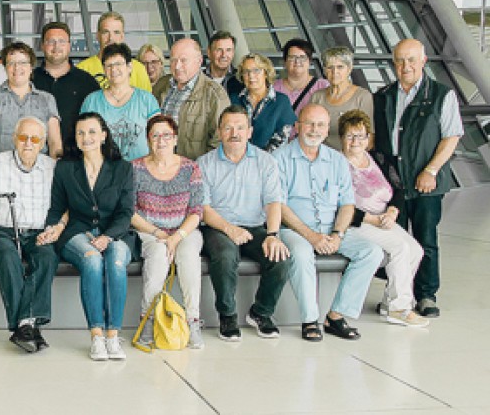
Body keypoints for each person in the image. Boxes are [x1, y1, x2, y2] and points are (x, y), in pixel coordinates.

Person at [275, 104, 383, 341]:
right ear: (297, 127)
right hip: (294, 229)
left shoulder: (336, 160)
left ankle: (335, 316)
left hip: (331, 229)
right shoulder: (280, 158)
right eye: (309, 124)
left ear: (327, 131)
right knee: (302, 254)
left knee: (372, 252)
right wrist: (311, 236)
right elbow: (279, 206)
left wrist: (337, 234)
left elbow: (347, 205)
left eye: (321, 125)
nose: (315, 130)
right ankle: (310, 320)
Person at [372, 38, 463, 318]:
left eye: (411, 60)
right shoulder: (383, 95)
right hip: (393, 185)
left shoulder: (441, 94)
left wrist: (431, 170)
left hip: (426, 183)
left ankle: (425, 295)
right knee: (394, 242)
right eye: (399, 60)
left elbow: (451, 136)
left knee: (425, 240)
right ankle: (397, 295)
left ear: (424, 61)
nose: (405, 66)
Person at [41, 112, 135, 361]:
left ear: (104, 135)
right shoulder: (65, 168)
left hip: (116, 233)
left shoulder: (122, 168)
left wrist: (108, 237)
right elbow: (57, 206)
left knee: (115, 259)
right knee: (92, 258)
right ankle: (96, 336)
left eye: (92, 132)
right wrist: (53, 228)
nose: (87, 137)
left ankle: (113, 336)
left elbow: (126, 213)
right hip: (77, 232)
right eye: (81, 133)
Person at [197, 105, 291, 342]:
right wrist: (229, 229)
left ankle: (261, 312)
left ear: (250, 131)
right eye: (228, 128)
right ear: (219, 132)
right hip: (218, 226)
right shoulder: (204, 164)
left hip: (255, 226)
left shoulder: (266, 162)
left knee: (280, 257)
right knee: (226, 255)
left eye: (240, 128)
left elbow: (273, 203)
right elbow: (203, 209)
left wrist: (272, 234)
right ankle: (227, 315)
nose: (234, 133)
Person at [0, 116, 59, 353]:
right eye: (23, 137)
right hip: (1, 230)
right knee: (9, 259)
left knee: (47, 258)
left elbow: (64, 206)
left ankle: (23, 325)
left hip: (38, 232)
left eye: (34, 139)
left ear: (43, 143)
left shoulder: (52, 168)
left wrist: (53, 230)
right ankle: (28, 324)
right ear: (14, 139)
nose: (28, 143)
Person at [338, 110, 428, 327]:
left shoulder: (378, 158)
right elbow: (337, 204)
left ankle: (389, 302)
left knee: (416, 250)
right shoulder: (336, 164)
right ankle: (400, 308)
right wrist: (371, 219)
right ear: (342, 138)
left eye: (360, 136)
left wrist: (392, 212)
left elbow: (398, 189)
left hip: (384, 219)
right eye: (350, 136)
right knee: (399, 248)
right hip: (356, 223)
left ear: (368, 138)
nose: (355, 141)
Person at [130, 114, 205, 349]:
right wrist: (158, 233)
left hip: (185, 230)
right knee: (158, 259)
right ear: (148, 140)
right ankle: (148, 321)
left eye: (166, 135)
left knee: (189, 257)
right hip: (149, 231)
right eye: (155, 136)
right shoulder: (135, 168)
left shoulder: (190, 168)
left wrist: (176, 237)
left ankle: (192, 320)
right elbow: (129, 212)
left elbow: (196, 211)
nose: (161, 141)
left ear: (175, 139)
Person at [0, 42, 61, 180]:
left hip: (38, 176)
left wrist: (55, 176)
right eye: (11, 63)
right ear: (5, 67)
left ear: (31, 67)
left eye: (23, 62)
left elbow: (54, 142)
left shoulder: (47, 99)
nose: (17, 68)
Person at [80, 43, 160, 161]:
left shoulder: (147, 100)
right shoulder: (91, 101)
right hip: (103, 171)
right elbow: (82, 137)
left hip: (140, 170)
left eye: (118, 64)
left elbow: (158, 136)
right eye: (108, 65)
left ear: (129, 67)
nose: (113, 69)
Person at [154, 38, 230, 160]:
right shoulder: (162, 85)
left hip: (193, 171)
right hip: (160, 166)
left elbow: (219, 141)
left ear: (199, 61)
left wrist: (200, 170)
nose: (177, 66)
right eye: (173, 60)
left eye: (183, 60)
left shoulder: (215, 94)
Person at [32, 22, 100, 151]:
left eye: (62, 41)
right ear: (42, 45)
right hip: (35, 157)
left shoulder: (87, 82)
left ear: (69, 46)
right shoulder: (30, 80)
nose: (56, 46)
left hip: (77, 158)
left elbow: (97, 123)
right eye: (51, 41)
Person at [309, 46, 373, 151]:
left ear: (349, 69)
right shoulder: (317, 97)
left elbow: (369, 140)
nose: (335, 72)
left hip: (350, 159)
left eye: (340, 67)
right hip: (320, 159)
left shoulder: (362, 97)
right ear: (324, 70)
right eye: (330, 67)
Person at [231, 53, 296, 152]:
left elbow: (281, 138)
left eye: (256, 70)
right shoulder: (234, 99)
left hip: (270, 161)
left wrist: (260, 159)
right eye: (246, 71)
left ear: (265, 73)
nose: (251, 75)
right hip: (237, 159)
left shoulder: (281, 101)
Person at [77, 12, 152, 91]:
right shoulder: (82, 69)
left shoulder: (138, 69)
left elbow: (146, 101)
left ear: (122, 36)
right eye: (106, 32)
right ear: (97, 36)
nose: (111, 38)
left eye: (116, 32)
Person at [273, 38, 328, 118]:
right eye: (292, 57)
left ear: (310, 61)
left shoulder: (323, 86)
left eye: (302, 57)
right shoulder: (273, 88)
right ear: (284, 62)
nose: (297, 61)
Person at [205, 30, 244, 98]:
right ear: (209, 52)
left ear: (233, 53)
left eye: (228, 50)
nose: (224, 55)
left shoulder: (242, 79)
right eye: (219, 50)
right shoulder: (197, 79)